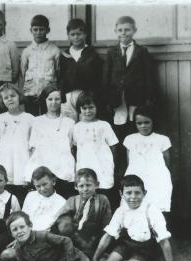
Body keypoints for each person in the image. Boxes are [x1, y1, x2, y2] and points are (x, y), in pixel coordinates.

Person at [103, 16, 154, 177]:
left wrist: (148, 100)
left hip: (135, 100)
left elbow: (149, 78)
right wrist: (108, 101)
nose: (123, 33)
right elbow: (106, 78)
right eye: (120, 30)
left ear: (134, 31)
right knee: (119, 135)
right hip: (117, 102)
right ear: (115, 31)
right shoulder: (112, 52)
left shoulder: (142, 52)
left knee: (134, 133)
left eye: (127, 30)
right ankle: (120, 176)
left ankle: (136, 172)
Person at [93, 175, 173, 261]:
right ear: (121, 194)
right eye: (129, 193)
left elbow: (164, 242)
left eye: (137, 193)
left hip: (145, 249)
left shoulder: (152, 211)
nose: (133, 197)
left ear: (144, 193)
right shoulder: (121, 211)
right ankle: (114, 260)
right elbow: (108, 236)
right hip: (126, 245)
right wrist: (95, 257)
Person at [24, 85, 76, 198]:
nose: (54, 102)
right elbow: (33, 148)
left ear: (61, 100)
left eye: (57, 99)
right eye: (50, 99)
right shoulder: (37, 121)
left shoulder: (69, 122)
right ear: (45, 100)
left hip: (62, 170)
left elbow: (71, 147)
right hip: (43, 168)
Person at [73, 91, 119, 210]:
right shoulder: (76, 127)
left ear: (97, 107)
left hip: (102, 166)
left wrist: (110, 163)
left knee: (103, 194)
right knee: (87, 193)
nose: (88, 111)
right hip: (85, 165)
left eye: (91, 107)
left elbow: (113, 146)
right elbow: (75, 148)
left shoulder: (104, 125)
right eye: (84, 108)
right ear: (79, 109)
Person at [53, 168, 112, 259]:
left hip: (94, 238)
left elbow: (106, 223)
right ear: (76, 187)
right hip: (74, 237)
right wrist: (73, 235)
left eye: (88, 185)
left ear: (96, 185)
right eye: (81, 186)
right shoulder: (72, 200)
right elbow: (63, 219)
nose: (85, 189)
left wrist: (95, 239)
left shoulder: (103, 200)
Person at [124, 106, 173, 213]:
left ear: (153, 122)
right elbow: (130, 161)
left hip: (157, 178)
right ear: (135, 124)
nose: (143, 126)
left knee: (156, 206)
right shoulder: (130, 139)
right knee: (135, 205)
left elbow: (166, 161)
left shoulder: (162, 139)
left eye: (147, 122)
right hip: (137, 175)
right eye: (139, 123)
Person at [0, 83, 34, 204]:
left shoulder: (30, 119)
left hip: (22, 159)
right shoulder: (0, 119)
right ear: (2, 101)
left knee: (21, 195)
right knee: (6, 193)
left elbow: (33, 143)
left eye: (13, 96)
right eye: (6, 97)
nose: (10, 99)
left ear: (19, 96)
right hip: (5, 159)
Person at [6, 211, 92, 261]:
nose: (19, 231)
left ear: (30, 226)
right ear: (11, 234)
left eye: (22, 227)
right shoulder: (19, 248)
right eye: (15, 230)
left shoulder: (42, 235)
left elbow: (67, 241)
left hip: (74, 260)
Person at [58, 18, 103, 122]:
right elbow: (61, 76)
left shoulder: (92, 54)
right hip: (68, 96)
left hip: (86, 95)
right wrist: (63, 95)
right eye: (72, 34)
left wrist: (93, 96)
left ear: (85, 34)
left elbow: (98, 78)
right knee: (68, 123)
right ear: (68, 36)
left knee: (85, 123)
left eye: (79, 34)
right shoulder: (64, 55)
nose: (76, 37)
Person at [21, 14, 60, 116]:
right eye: (35, 29)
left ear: (48, 30)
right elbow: (23, 72)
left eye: (41, 29)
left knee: (48, 117)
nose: (38, 33)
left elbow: (58, 72)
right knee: (31, 118)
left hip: (48, 93)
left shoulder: (54, 51)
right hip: (31, 93)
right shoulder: (27, 51)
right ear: (31, 30)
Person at [22, 166, 66, 232]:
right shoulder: (30, 196)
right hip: (25, 233)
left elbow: (50, 225)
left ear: (53, 181)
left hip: (45, 236)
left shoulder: (62, 202)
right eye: (38, 186)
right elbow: (23, 216)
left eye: (45, 184)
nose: (42, 189)